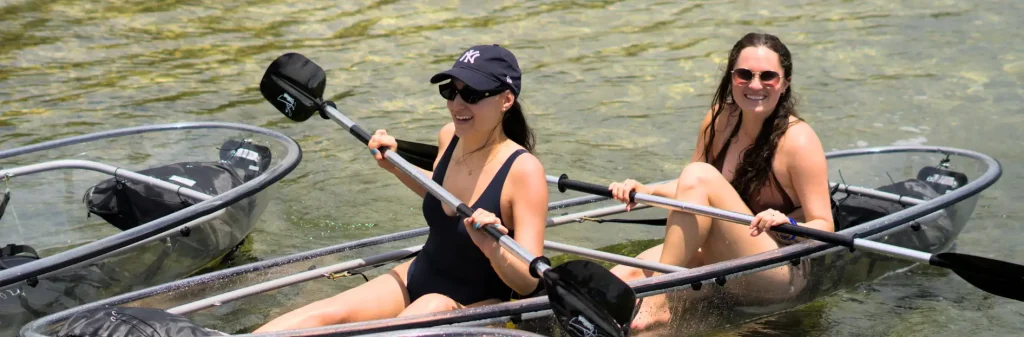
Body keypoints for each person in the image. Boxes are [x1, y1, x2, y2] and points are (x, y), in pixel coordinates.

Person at [254, 44, 548, 332]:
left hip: (481, 308)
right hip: (419, 275)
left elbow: (528, 281)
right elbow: (439, 193)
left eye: (471, 94)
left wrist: (493, 248)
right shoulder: (450, 137)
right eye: (451, 90)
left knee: (429, 307)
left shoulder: (524, 172)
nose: (457, 104)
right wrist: (395, 166)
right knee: (320, 316)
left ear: (506, 99)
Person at [605, 32, 835, 330]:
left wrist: (788, 226)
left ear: (785, 83)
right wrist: (646, 190)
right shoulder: (719, 121)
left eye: (768, 76)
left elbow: (823, 225)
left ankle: (660, 294)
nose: (755, 85)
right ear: (731, 78)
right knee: (623, 280)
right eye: (744, 75)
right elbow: (692, 191)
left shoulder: (799, 140)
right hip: (723, 248)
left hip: (779, 269)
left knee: (653, 293)